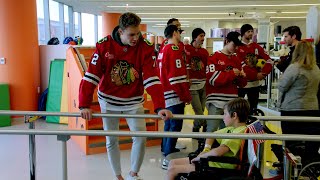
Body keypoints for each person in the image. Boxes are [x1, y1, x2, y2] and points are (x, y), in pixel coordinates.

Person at [78, 12, 172, 180]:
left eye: (138, 33)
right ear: (120, 32)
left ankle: (133, 174)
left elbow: (151, 78)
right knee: (111, 139)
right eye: (131, 34)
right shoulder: (104, 46)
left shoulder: (145, 47)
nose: (136, 38)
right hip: (108, 99)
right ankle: (118, 175)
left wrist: (160, 106)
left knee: (141, 138)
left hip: (134, 101)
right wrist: (84, 104)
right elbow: (91, 76)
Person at [166, 98, 250, 180]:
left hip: (218, 166)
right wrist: (206, 149)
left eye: (225, 114)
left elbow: (218, 152)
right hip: (212, 161)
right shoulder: (232, 128)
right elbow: (212, 135)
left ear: (234, 115)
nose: (223, 117)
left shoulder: (238, 133)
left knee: (173, 170)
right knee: (172, 163)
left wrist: (200, 157)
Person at [277, 40, 320, 164]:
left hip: (292, 109)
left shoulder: (294, 67)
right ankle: (310, 165)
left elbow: (282, 86)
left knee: (292, 143)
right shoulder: (316, 68)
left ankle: (291, 169)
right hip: (312, 109)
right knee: (310, 141)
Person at [158, 25, 192, 169]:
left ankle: (166, 149)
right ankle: (169, 154)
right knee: (175, 124)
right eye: (179, 32)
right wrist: (185, 95)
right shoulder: (173, 50)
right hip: (173, 93)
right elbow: (176, 77)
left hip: (164, 91)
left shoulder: (163, 49)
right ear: (174, 33)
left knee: (168, 124)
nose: (180, 35)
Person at [206, 31, 247, 134]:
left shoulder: (236, 60)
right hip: (216, 101)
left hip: (231, 103)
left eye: (238, 46)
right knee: (212, 129)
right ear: (227, 41)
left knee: (227, 132)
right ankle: (205, 149)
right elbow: (213, 79)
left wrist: (242, 77)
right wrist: (232, 74)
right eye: (234, 45)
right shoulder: (214, 58)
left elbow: (242, 84)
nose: (236, 48)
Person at [236, 24, 273, 114]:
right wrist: (255, 75)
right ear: (243, 33)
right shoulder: (238, 47)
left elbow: (269, 61)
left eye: (252, 31)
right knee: (238, 108)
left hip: (255, 84)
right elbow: (241, 65)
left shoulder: (256, 47)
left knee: (253, 109)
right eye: (248, 31)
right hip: (241, 84)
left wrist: (263, 73)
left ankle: (252, 126)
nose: (251, 33)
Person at [184, 28, 209, 133]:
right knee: (198, 110)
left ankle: (196, 128)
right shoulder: (186, 49)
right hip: (192, 85)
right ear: (195, 37)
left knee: (202, 109)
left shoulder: (204, 52)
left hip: (203, 83)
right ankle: (207, 125)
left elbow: (207, 67)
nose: (203, 38)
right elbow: (185, 66)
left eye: (204, 36)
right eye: (201, 36)